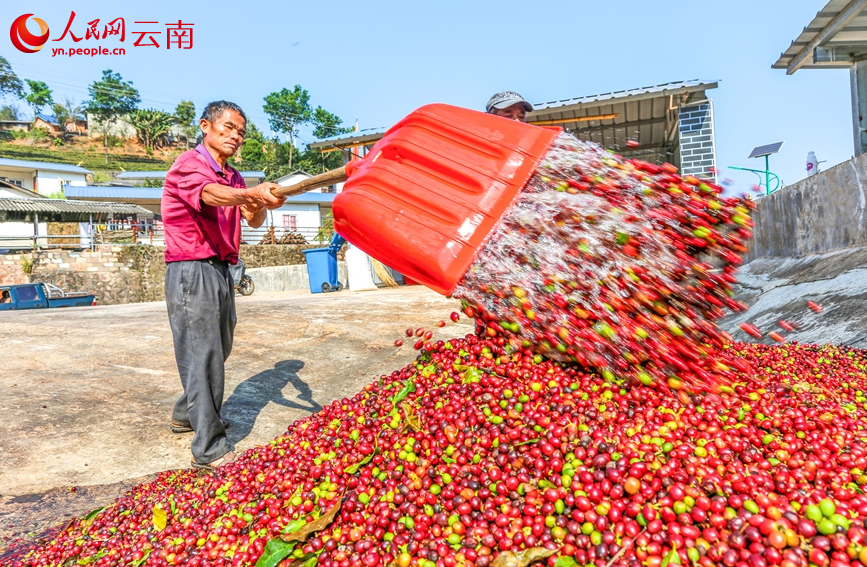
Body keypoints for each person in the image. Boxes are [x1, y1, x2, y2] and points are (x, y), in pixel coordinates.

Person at [161, 100, 286, 471]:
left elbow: (254, 217)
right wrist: (251, 193)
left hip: (221, 269)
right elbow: (211, 196)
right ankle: (210, 446)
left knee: (219, 346)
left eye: (241, 132)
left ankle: (187, 413)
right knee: (204, 354)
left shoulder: (233, 177)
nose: (236, 136)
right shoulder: (190, 166)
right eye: (229, 127)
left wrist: (265, 201)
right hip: (190, 268)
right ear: (205, 126)